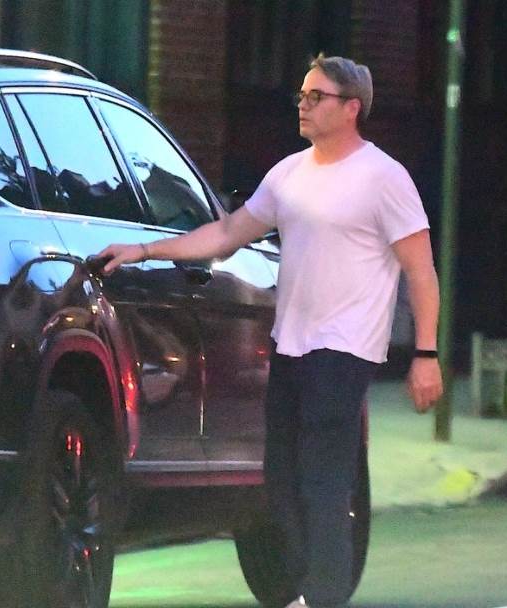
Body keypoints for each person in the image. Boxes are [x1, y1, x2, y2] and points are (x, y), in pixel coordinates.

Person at [98, 54, 443, 608]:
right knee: (281, 482)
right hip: (292, 346)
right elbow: (228, 233)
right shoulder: (289, 174)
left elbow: (421, 271)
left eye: (316, 97)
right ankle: (312, 590)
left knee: (323, 481)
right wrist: (143, 250)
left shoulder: (384, 178)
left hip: (346, 350)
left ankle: (322, 598)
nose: (303, 106)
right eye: (301, 96)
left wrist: (426, 354)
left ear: (351, 108)